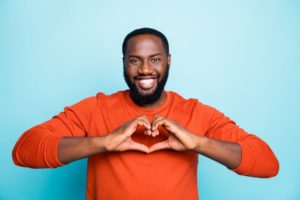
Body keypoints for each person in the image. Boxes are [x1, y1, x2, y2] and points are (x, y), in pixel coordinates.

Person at [12, 27, 279, 200]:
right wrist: (103, 142)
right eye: (135, 60)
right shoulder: (95, 108)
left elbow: (268, 164)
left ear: (168, 60)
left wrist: (198, 142)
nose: (144, 69)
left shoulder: (197, 112)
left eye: (155, 59)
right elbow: (24, 151)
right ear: (124, 63)